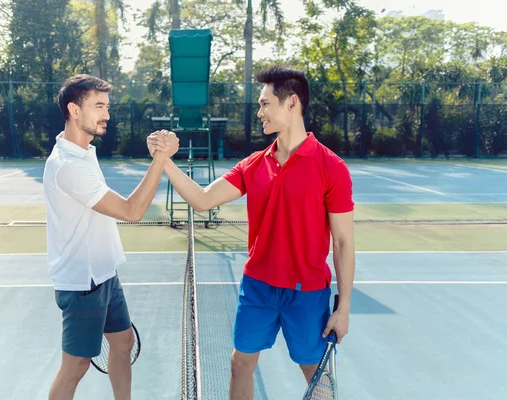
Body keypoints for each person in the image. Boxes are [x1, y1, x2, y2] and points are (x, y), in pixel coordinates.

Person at [147, 66, 355, 399]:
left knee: (316, 377)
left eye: (264, 104)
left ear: (291, 103)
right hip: (257, 287)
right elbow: (202, 199)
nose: (259, 113)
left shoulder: (331, 167)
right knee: (240, 363)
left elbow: (344, 243)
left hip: (307, 293)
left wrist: (342, 310)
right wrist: (165, 161)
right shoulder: (254, 164)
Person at [43, 74, 178, 400]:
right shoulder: (68, 166)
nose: (107, 114)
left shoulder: (82, 151)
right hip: (82, 282)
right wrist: (160, 159)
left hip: (103, 273)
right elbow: (132, 211)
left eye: (107, 106)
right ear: (75, 110)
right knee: (74, 368)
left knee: (123, 342)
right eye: (99, 106)